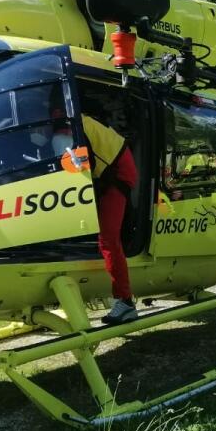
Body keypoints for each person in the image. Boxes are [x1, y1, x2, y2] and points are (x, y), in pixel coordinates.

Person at [80, 113, 141, 326]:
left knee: (108, 240)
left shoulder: (66, 124)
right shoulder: (76, 117)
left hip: (117, 173)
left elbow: (84, 164)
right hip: (113, 169)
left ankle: (125, 302)